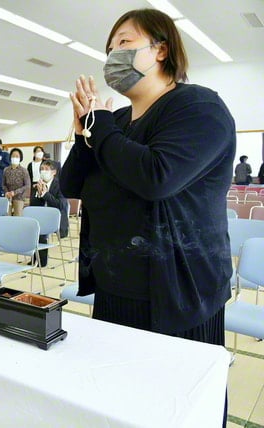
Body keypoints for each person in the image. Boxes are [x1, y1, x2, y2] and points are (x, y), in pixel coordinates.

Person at [60, 9, 235, 350]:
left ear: (161, 50)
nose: (113, 56)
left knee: (181, 396)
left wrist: (101, 126)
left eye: (124, 42)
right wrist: (85, 136)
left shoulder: (199, 106)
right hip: (115, 284)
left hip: (179, 293)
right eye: (109, 50)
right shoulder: (117, 120)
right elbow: (72, 186)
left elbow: (156, 178)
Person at [30, 161, 69, 267]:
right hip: (41, 216)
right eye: (42, 169)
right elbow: (33, 205)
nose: (43, 171)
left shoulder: (60, 185)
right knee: (33, 226)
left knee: (41, 227)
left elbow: (61, 205)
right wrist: (38, 193)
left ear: (54, 172)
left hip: (56, 218)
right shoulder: (37, 184)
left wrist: (45, 194)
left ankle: (41, 260)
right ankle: (34, 257)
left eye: (46, 169)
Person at [2, 148, 30, 216]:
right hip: (8, 197)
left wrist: (15, 192)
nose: (14, 158)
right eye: (13, 156)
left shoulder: (24, 170)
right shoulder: (6, 170)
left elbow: (27, 185)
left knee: (18, 216)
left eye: (17, 156)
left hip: (19, 197)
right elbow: (3, 184)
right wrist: (7, 192)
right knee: (7, 216)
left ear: (20, 158)